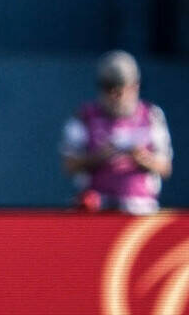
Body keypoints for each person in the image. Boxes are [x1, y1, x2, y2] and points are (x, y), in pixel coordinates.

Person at [59, 50, 172, 214]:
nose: (114, 96)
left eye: (120, 89)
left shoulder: (152, 116)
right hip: (96, 207)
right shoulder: (84, 117)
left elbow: (165, 167)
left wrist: (143, 159)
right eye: (107, 88)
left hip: (140, 208)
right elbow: (69, 164)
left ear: (135, 87)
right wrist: (99, 157)